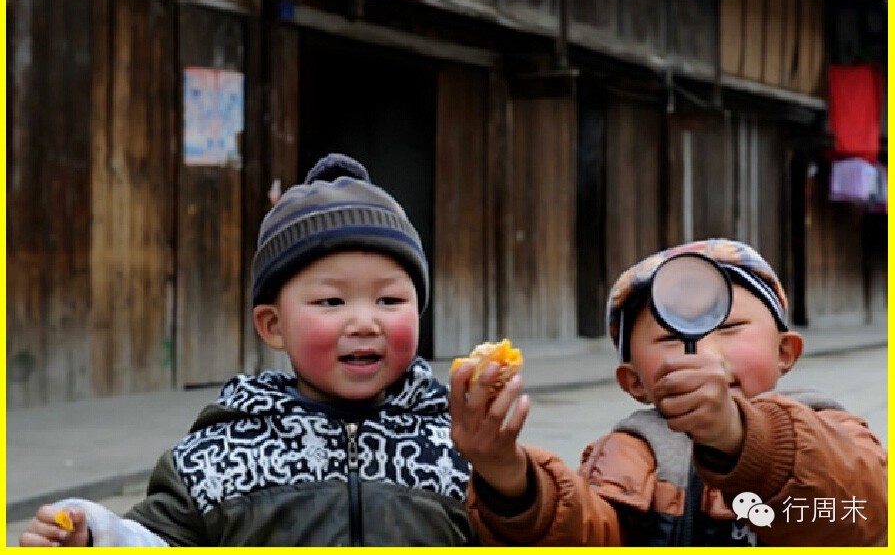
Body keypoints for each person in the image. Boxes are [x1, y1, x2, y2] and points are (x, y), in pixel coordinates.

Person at [20, 153, 476, 547]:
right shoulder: (223, 452)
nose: (364, 322)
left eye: (389, 300)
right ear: (273, 326)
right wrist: (95, 535)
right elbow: (159, 541)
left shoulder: (458, 441)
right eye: (331, 302)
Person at [450, 238, 887, 546]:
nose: (705, 354)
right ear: (634, 382)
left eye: (731, 327)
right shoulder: (629, 452)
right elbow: (590, 535)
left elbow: (865, 515)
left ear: (785, 352)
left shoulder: (826, 429)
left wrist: (743, 439)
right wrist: (510, 479)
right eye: (670, 338)